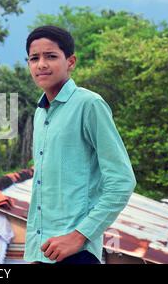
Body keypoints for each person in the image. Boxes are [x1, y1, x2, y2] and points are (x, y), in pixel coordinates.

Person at [23, 25, 137, 264]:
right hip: (42, 253)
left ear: (70, 62)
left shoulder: (89, 104)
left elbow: (122, 181)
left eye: (51, 56)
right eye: (35, 58)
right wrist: (33, 252)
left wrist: (78, 236)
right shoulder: (40, 112)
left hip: (77, 254)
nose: (41, 64)